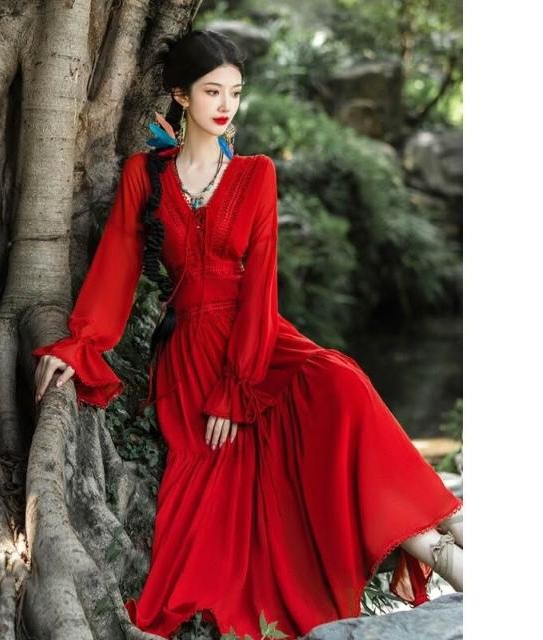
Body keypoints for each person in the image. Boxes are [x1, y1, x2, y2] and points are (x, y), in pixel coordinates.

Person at [32, 29, 463, 640]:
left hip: (258, 341)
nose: (226, 104)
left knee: (341, 385)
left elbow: (260, 286)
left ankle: (455, 544)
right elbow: (116, 272)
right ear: (181, 95)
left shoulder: (256, 174)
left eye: (235, 92)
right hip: (189, 356)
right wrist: (80, 346)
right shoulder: (144, 176)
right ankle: (453, 552)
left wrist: (238, 389)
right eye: (212, 91)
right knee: (221, 490)